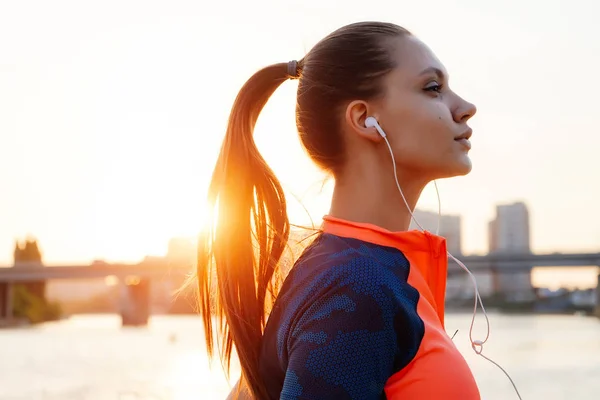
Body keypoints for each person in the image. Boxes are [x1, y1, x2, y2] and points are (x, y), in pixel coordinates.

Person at [198, 21, 480, 399]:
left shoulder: (357, 272)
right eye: (433, 88)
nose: (465, 108)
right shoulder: (355, 287)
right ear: (365, 119)